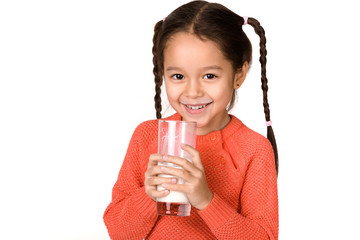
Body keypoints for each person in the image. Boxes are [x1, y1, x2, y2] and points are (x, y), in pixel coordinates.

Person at [103, 1, 279, 239]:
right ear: (162, 72)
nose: (192, 91)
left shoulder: (255, 150)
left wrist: (206, 200)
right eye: (178, 76)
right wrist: (148, 195)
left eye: (209, 75)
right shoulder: (147, 136)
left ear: (239, 75)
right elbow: (119, 233)